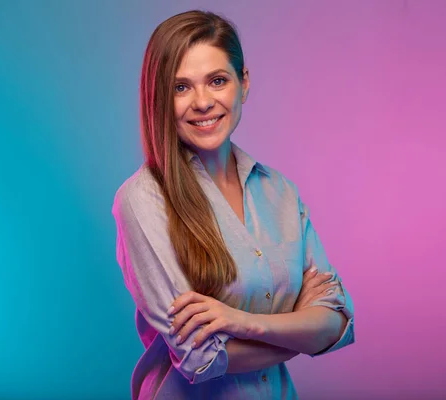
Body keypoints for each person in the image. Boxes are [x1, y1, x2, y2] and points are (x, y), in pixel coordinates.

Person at [112, 9, 355, 400]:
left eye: (217, 81)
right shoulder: (142, 201)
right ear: (159, 98)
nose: (203, 102)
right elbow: (199, 357)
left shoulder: (280, 192)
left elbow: (337, 320)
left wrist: (241, 322)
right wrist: (302, 334)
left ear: (243, 84)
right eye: (181, 88)